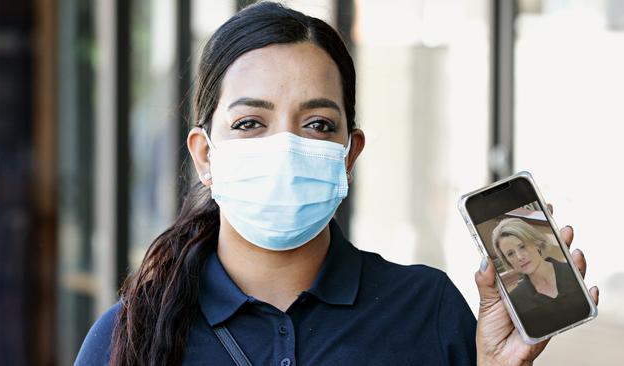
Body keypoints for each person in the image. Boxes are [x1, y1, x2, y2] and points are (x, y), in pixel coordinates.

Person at [74, 2, 598, 365]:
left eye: (318, 124)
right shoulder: (128, 336)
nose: (285, 146)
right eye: (250, 123)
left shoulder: (427, 309)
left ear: (349, 154)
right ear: (205, 154)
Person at [492, 217, 590, 332]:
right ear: (507, 261)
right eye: (510, 254)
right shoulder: (514, 300)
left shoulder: (571, 271)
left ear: (536, 243)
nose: (519, 257)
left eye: (522, 246)